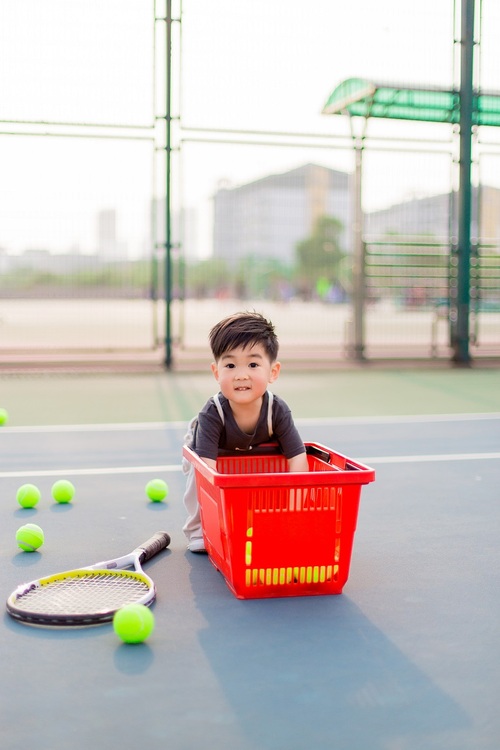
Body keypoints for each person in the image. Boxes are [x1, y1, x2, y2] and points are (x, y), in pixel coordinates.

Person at [182, 310, 309, 552]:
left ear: (273, 371)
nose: (241, 374)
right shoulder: (212, 413)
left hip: (252, 449)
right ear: (217, 372)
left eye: (253, 364)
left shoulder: (277, 410)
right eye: (230, 365)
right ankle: (197, 530)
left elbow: (298, 458)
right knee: (195, 476)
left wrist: (296, 510)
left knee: (274, 465)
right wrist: (216, 520)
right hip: (210, 448)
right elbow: (207, 471)